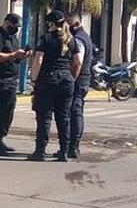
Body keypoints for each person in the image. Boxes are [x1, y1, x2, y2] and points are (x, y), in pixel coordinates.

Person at [28, 10, 83, 162]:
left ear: (51, 23)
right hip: (66, 81)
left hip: (48, 80)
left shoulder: (45, 39)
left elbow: (38, 60)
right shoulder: (71, 40)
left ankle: (40, 151)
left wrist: (34, 79)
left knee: (44, 117)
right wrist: (71, 77)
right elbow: (78, 63)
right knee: (63, 117)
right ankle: (64, 151)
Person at [0, 13, 30, 156]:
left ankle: (2, 138)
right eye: (13, 26)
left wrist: (22, 56)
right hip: (0, 79)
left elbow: (14, 58)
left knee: (9, 110)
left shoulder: (13, 38)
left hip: (12, 79)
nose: (15, 29)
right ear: (6, 23)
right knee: (0, 110)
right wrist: (13, 55)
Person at [64, 12, 92, 159]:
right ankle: (72, 146)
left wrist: (71, 79)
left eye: (67, 25)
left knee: (74, 113)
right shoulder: (85, 36)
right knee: (76, 111)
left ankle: (73, 147)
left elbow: (77, 63)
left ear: (75, 24)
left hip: (78, 81)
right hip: (83, 80)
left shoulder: (79, 40)